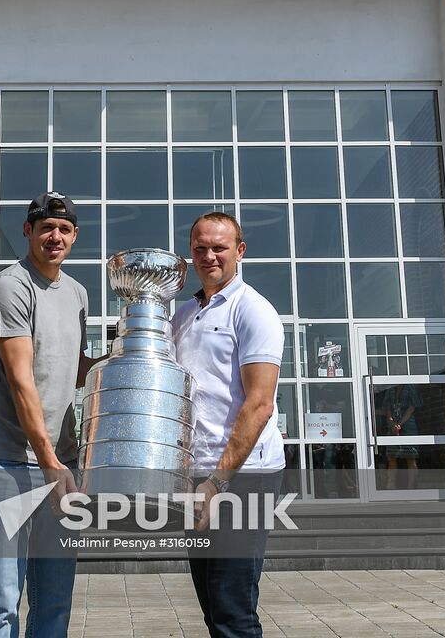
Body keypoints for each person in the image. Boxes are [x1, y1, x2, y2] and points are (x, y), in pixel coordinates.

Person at [0, 192, 100, 638]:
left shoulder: (79, 294)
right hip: (9, 463)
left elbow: (72, 367)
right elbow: (21, 380)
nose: (55, 236)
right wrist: (49, 462)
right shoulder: (10, 287)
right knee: (3, 603)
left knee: (54, 602)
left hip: (59, 464)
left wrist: (130, 355)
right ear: (28, 231)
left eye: (64, 229)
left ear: (75, 236)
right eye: (46, 227)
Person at [171, 212, 285, 638]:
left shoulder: (253, 311)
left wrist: (216, 483)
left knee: (232, 607)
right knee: (210, 602)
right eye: (200, 247)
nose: (209, 256)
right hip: (194, 472)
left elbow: (259, 404)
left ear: (240, 251)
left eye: (219, 247)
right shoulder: (182, 314)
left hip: (242, 476)